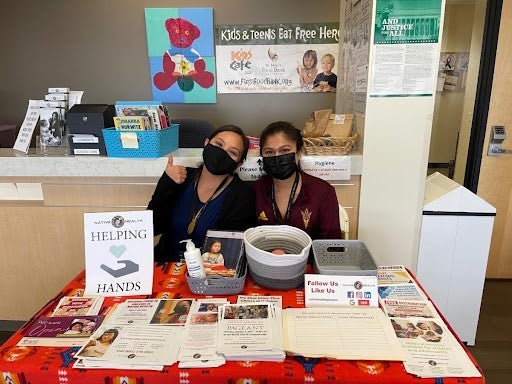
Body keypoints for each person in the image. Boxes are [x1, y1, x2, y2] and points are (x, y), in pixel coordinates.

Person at [148, 125, 256, 262]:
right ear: (206, 143)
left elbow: (231, 250)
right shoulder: (181, 178)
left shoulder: (242, 195)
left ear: (239, 163)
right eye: (218, 144)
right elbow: (153, 227)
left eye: (232, 152)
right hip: (166, 264)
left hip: (207, 274)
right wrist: (167, 184)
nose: (222, 153)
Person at [253, 121, 341, 240]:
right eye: (269, 152)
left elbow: (332, 247)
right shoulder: (253, 190)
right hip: (262, 257)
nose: (277, 157)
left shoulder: (323, 192)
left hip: (309, 258)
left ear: (298, 153)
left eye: (285, 150)